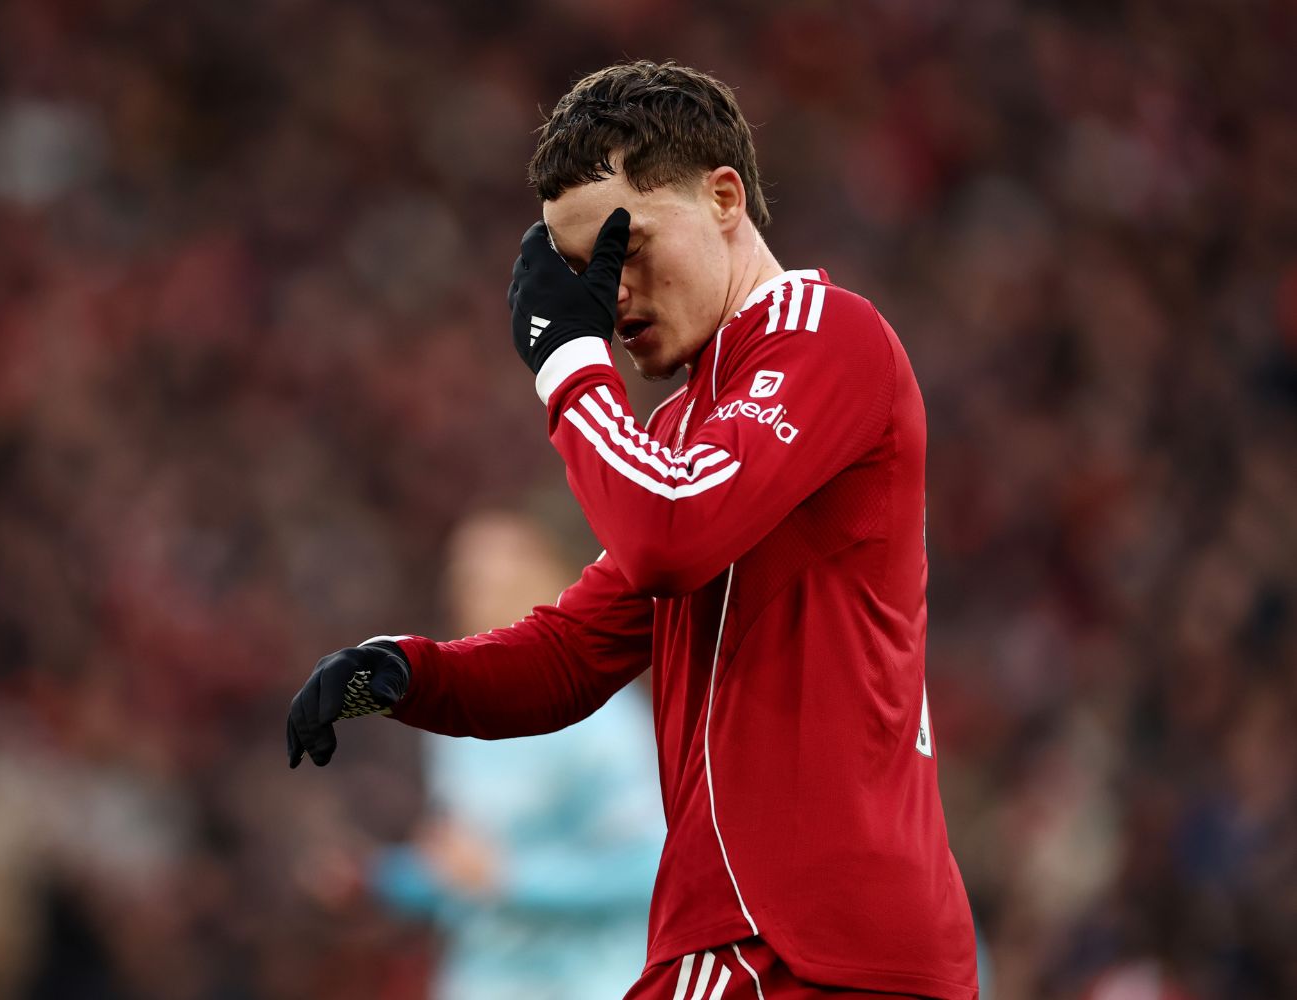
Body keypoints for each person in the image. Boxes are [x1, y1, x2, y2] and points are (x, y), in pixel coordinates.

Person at [286, 60, 978, 1000]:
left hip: (794, 943)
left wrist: (569, 366)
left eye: (629, 245)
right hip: (779, 943)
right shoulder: (682, 438)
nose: (608, 298)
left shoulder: (829, 335)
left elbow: (667, 536)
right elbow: (575, 653)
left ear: (724, 196)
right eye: (582, 276)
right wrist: (406, 675)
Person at [369, 510, 663, 1000]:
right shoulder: (452, 716)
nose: (480, 593)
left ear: (551, 580)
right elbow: (468, 877)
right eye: (468, 578)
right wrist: (384, 881)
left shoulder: (600, 720)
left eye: (500, 575)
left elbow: (649, 869)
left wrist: (511, 880)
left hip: (588, 983)